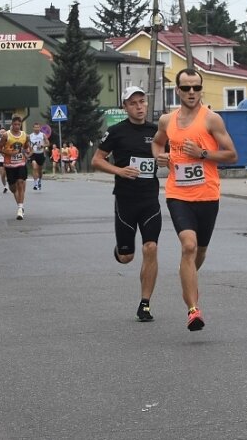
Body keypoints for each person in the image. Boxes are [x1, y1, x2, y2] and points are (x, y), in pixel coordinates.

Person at [152, 68, 238, 331]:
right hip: (178, 193)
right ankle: (193, 310)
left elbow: (231, 154)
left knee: (199, 251)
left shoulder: (212, 120)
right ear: (177, 90)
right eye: (186, 88)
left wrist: (202, 153)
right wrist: (159, 156)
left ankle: (186, 274)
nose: (192, 93)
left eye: (196, 88)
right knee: (188, 245)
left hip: (207, 195)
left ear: (201, 90)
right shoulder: (167, 120)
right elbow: (157, 144)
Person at [92, 86, 161, 322]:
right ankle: (121, 250)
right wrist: (119, 170)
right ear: (125, 106)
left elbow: (170, 157)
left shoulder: (157, 131)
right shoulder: (116, 132)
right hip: (125, 200)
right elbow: (97, 160)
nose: (139, 107)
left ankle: (145, 303)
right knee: (127, 257)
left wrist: (169, 160)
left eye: (142, 102)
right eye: (133, 103)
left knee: (150, 248)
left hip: (150, 198)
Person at [0, 115, 32, 220]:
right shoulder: (6, 135)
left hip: (21, 163)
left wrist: (27, 152)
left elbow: (25, 148)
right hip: (9, 165)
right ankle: (19, 206)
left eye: (19, 124)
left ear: (21, 124)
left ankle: (20, 209)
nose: (17, 126)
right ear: (12, 124)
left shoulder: (24, 135)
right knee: (13, 188)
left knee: (21, 182)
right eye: (15, 124)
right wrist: (8, 152)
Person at [28, 122, 49, 191]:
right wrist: (29, 150)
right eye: (35, 127)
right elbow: (27, 144)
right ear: (33, 128)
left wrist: (42, 146)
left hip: (41, 154)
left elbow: (48, 143)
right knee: (34, 167)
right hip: (33, 154)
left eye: (38, 127)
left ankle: (39, 180)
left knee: (39, 170)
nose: (36, 129)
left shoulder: (43, 135)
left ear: (40, 128)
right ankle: (35, 183)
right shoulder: (30, 136)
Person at [0, 127, 9, 193]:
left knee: (9, 173)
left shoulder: (9, 140)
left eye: (3, 132)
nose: (2, 133)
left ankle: (10, 184)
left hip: (8, 159)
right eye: (1, 132)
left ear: (6, 133)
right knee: (2, 174)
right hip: (1, 159)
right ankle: (5, 186)